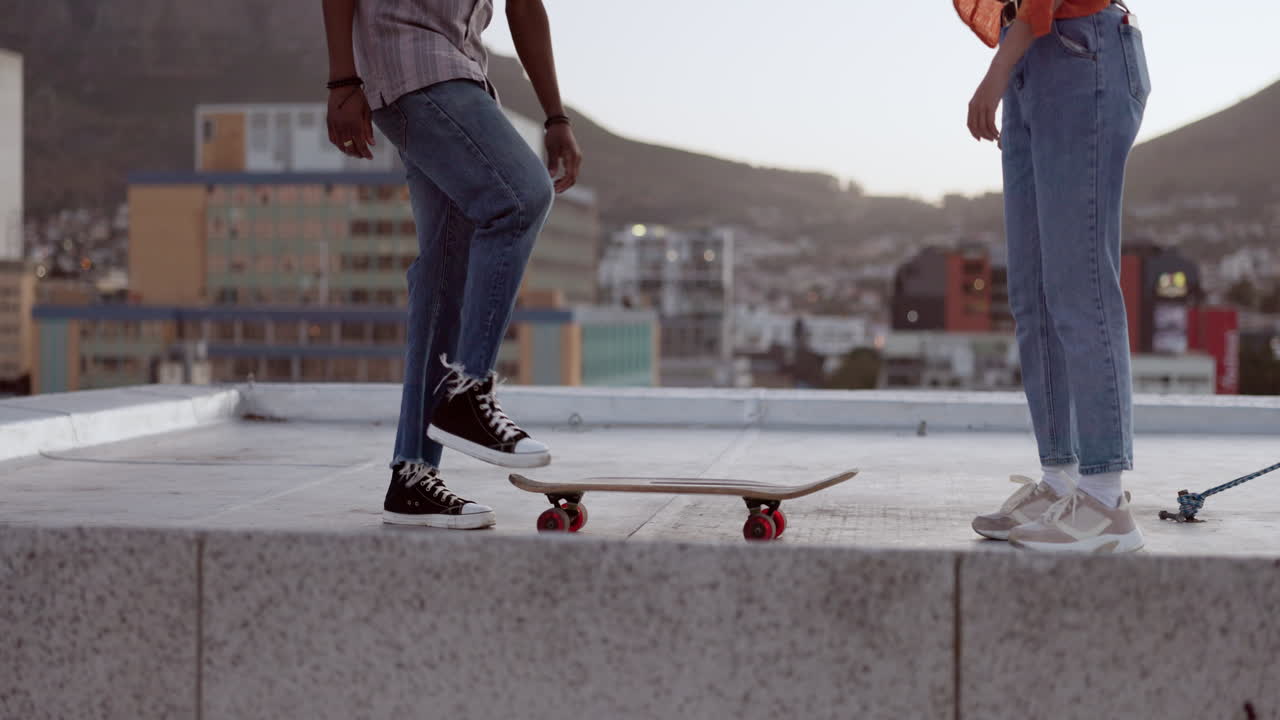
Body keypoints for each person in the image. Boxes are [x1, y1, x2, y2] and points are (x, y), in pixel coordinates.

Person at [322, 0, 583, 529]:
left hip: (459, 68)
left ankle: (412, 477)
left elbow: (524, 6)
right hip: (410, 64)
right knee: (520, 197)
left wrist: (555, 114)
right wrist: (341, 80)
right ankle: (468, 393)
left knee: (444, 272)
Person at [958, 0, 1151, 551]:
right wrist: (1009, 62)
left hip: (1077, 50)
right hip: (1032, 57)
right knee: (1034, 292)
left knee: (1079, 282)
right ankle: (1062, 479)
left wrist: (996, 71)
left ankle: (1106, 501)